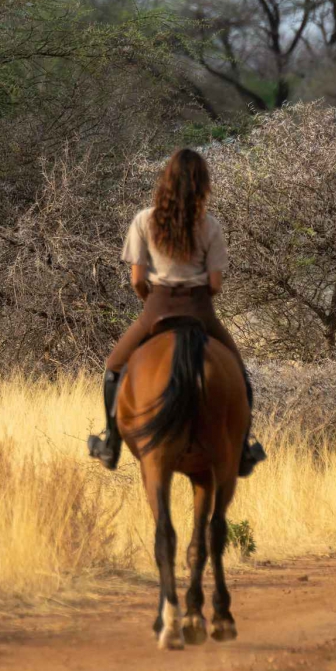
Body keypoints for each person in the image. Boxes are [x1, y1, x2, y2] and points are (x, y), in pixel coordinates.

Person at [87, 148, 266, 477]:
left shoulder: (144, 220)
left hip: (157, 308)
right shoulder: (210, 226)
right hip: (200, 309)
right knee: (239, 372)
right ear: (203, 185)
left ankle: (111, 442)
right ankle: (242, 449)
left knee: (114, 366)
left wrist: (151, 301)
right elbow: (215, 284)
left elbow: (138, 280)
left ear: (165, 181)